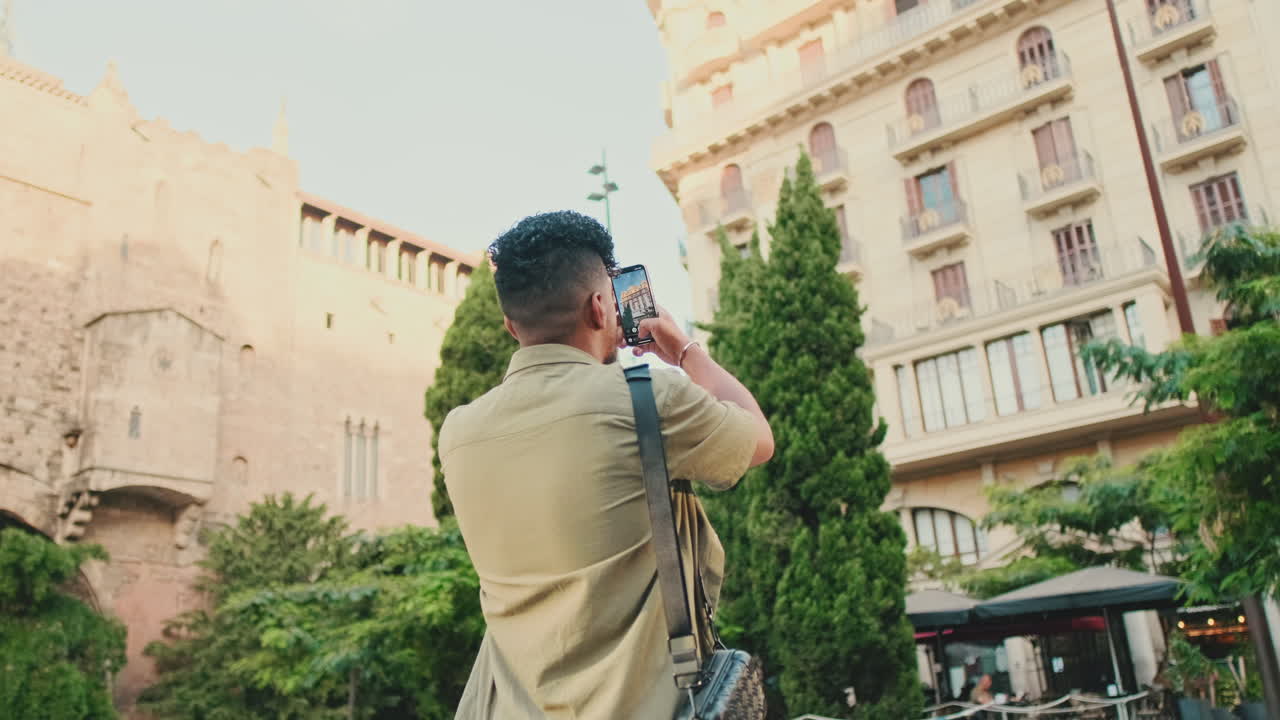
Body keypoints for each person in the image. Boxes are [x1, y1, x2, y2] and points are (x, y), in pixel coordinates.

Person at [441, 211, 774, 719]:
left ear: (511, 326)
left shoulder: (459, 432)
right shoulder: (644, 399)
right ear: (602, 308)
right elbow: (758, 439)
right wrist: (682, 349)